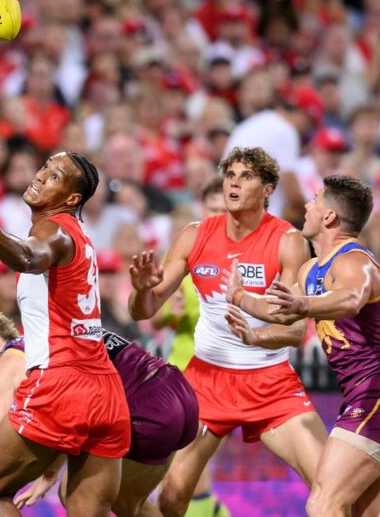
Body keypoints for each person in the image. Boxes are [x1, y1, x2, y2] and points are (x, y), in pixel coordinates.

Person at [128, 147, 327, 517]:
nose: (234, 183)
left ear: (268, 189)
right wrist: (141, 289)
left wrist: (255, 338)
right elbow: (146, 309)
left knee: (329, 488)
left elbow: (296, 329)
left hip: (270, 383)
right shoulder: (194, 236)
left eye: (246, 176)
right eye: (230, 175)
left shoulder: (288, 241)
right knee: (171, 497)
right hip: (206, 382)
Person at [0, 151, 130, 516]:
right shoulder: (83, 239)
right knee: (83, 507)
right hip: (107, 392)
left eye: (56, 176)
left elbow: (28, 257)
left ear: (72, 199)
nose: (42, 175)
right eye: (45, 166)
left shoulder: (54, 228)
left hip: (61, 383)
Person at [225, 175, 380, 516]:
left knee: (323, 504)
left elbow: (349, 299)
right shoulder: (309, 270)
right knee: (367, 513)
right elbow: (283, 312)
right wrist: (241, 300)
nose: (306, 205)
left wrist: (303, 305)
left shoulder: (355, 261)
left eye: (315, 199)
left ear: (330, 216)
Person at [0, 309, 199, 517]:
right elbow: (73, 410)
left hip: (142, 403)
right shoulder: (50, 339)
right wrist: (50, 471)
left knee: (4, 492)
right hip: (178, 394)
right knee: (128, 504)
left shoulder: (10, 361)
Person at [152, 176, 231, 517]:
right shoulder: (187, 261)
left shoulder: (241, 261)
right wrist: (171, 314)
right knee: (180, 465)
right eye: (211, 208)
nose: (216, 214)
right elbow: (154, 317)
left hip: (222, 377)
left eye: (222, 209)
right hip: (181, 374)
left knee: (191, 465)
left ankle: (209, 512)